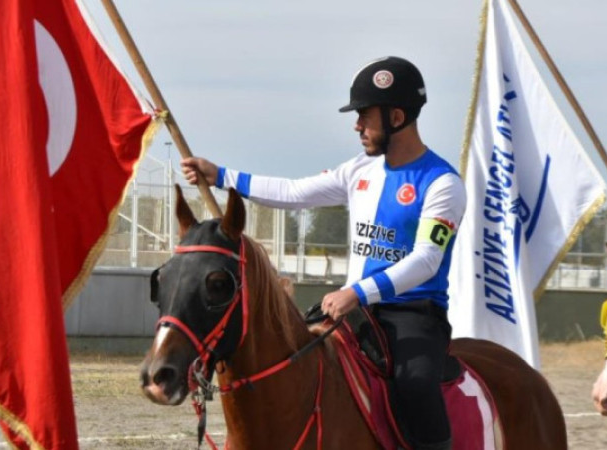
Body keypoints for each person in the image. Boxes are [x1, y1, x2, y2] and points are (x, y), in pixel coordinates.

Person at [182, 56, 465, 450]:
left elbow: (426, 260)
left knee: (416, 385)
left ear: (397, 116)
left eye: (365, 115)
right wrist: (223, 177)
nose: (357, 125)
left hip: (413, 316)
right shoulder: (360, 171)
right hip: (353, 311)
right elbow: (296, 193)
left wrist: (357, 292)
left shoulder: (443, 183)